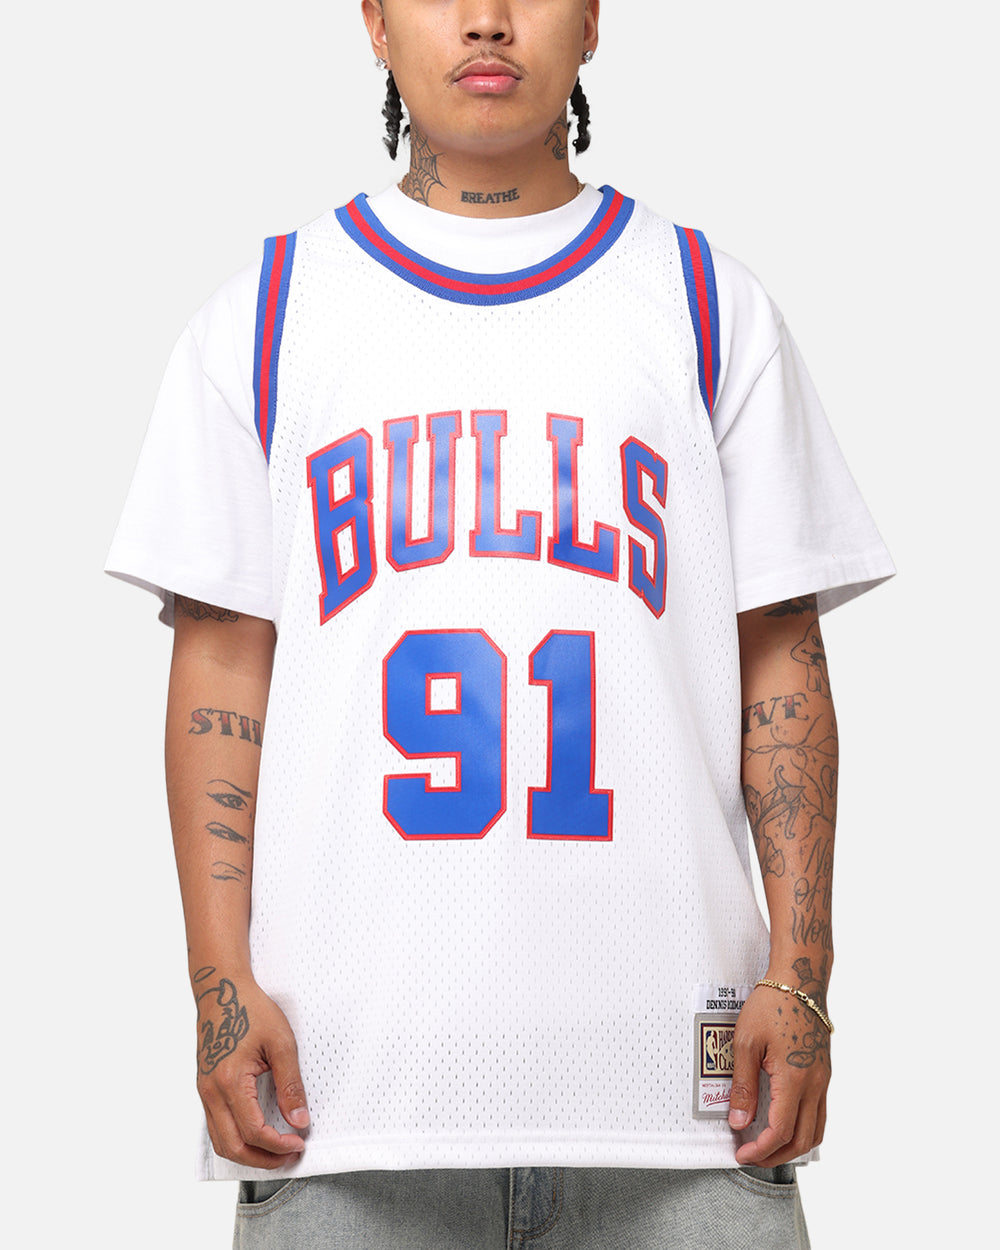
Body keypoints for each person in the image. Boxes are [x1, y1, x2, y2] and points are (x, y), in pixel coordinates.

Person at [106, 2, 894, 1246]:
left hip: (683, 1105)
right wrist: (218, 985)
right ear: (374, 22)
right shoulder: (268, 313)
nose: (485, 19)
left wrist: (801, 978)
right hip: (344, 1100)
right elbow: (221, 668)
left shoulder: (703, 302)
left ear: (592, 20)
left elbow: (779, 664)